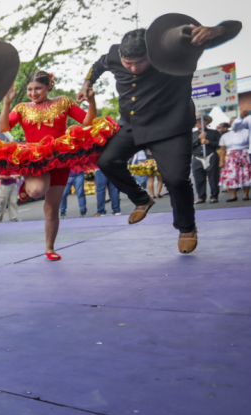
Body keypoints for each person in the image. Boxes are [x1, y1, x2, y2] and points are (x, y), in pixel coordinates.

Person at [78, 23, 241, 253]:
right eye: (128, 63)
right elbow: (98, 65)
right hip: (133, 125)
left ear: (152, 53)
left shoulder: (172, 52)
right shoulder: (115, 53)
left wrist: (216, 31)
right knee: (107, 161)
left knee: (175, 179)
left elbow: (234, 27)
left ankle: (186, 228)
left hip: (170, 127)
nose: (133, 68)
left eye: (139, 62)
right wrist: (87, 83)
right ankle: (142, 199)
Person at [0, 71, 114, 260]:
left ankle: (50, 248)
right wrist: (6, 103)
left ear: (49, 86)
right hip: (35, 160)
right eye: (30, 89)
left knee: (52, 209)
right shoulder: (21, 107)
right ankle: (27, 183)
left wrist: (92, 103)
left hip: (60, 159)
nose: (33, 93)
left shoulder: (63, 102)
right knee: (36, 191)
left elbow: (88, 122)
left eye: (38, 88)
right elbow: (3, 127)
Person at [219, 117, 251, 201]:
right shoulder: (225, 135)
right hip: (231, 157)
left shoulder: (247, 132)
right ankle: (233, 195)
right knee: (230, 176)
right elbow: (222, 150)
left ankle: (246, 195)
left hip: (244, 155)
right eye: (232, 122)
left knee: (245, 175)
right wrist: (221, 161)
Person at [192, 115, 221, 204]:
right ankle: (201, 197)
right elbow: (189, 146)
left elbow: (220, 144)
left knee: (213, 177)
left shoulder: (214, 133)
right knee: (198, 178)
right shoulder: (192, 134)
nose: (199, 123)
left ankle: (214, 196)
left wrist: (208, 142)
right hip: (197, 157)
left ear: (206, 123)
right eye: (197, 122)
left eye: (202, 122)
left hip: (210, 155)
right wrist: (199, 139)